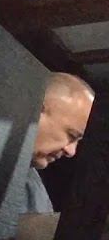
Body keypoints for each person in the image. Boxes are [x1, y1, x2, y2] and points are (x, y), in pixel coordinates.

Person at [25, 72, 95, 214]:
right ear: (35, 109)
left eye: (77, 141)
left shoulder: (35, 190)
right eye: (72, 135)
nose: (71, 152)